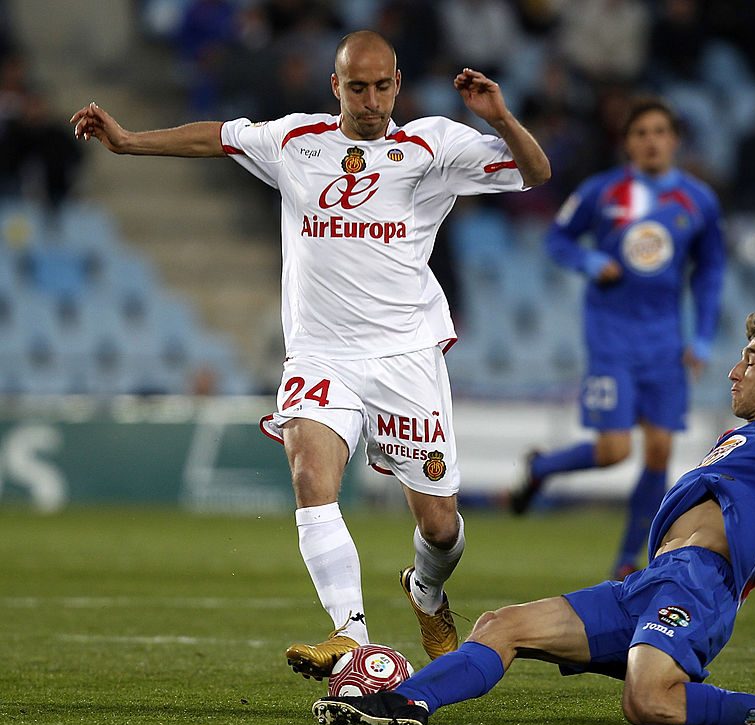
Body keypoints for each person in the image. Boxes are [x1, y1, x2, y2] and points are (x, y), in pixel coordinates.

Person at [70, 30, 550, 676]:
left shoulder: (433, 146)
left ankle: (426, 590)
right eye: (358, 87)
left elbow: (535, 172)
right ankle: (348, 632)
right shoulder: (297, 142)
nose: (371, 100)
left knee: (440, 526)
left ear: (398, 85)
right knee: (308, 474)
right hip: (321, 353)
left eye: (382, 87)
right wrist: (130, 141)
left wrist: (500, 119)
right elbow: (219, 137)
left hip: (405, 356)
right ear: (336, 86)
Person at [311, 311, 755, 725]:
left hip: (699, 586)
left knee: (649, 703)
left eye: (752, 360)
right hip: (649, 583)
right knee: (501, 624)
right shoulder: (745, 435)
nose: (734, 372)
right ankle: (402, 701)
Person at [508, 97, 726, 581]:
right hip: (612, 338)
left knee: (660, 452)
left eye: (660, 132)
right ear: (628, 143)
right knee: (614, 451)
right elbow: (557, 239)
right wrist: (587, 262)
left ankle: (630, 561)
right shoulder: (602, 192)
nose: (651, 141)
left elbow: (710, 271)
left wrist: (704, 339)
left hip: (665, 342)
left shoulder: (698, 201)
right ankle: (543, 468)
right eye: (641, 133)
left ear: (675, 140)